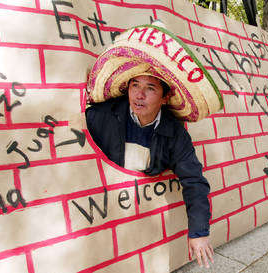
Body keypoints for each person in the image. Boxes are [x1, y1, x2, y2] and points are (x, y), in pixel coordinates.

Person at [85, 23, 224, 269]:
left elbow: (194, 181)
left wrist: (199, 232)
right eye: (135, 85)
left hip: (143, 226)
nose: (139, 94)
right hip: (102, 220)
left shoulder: (175, 135)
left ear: (165, 97)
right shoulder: (102, 116)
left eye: (150, 88)